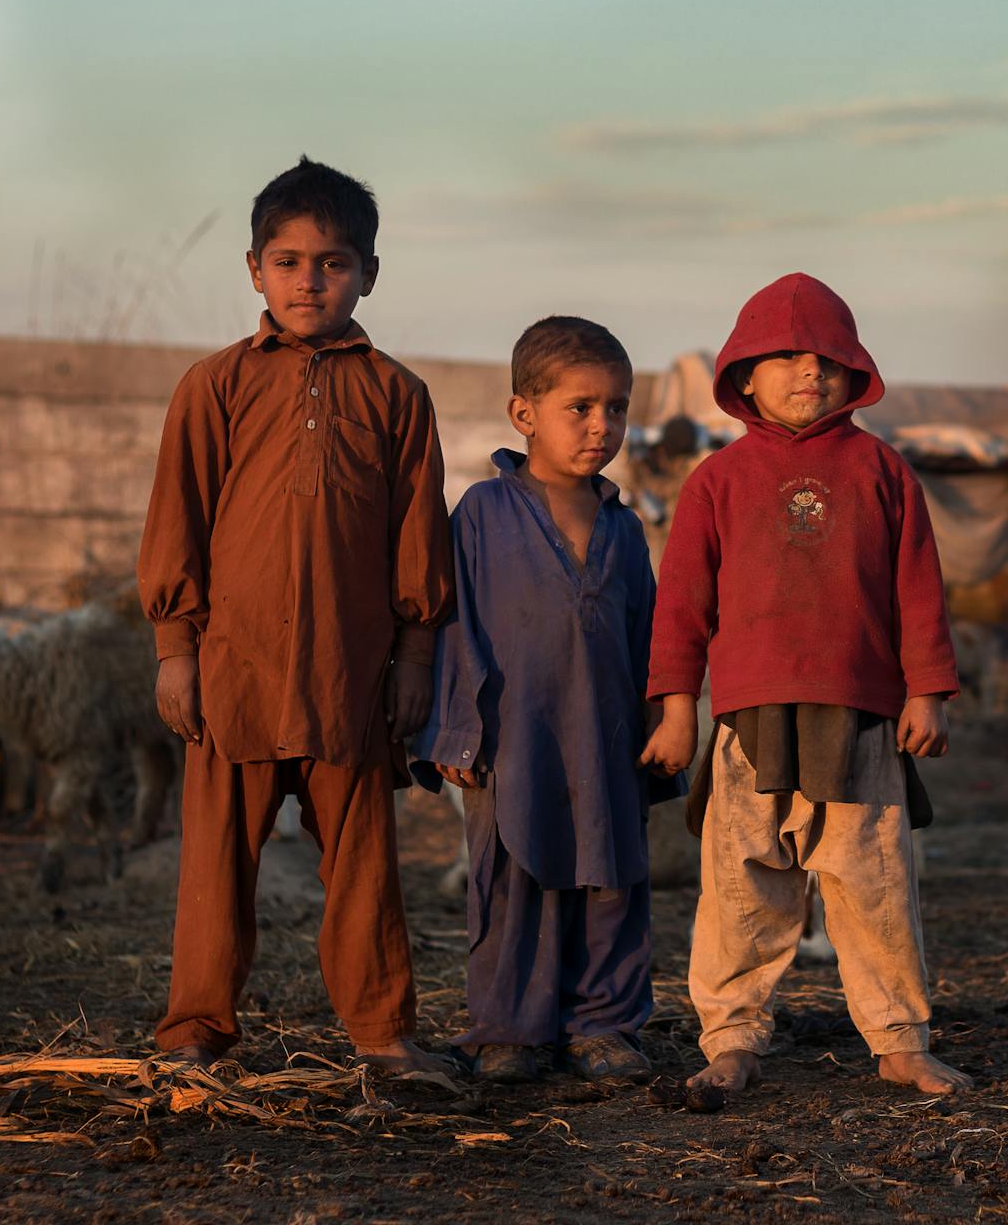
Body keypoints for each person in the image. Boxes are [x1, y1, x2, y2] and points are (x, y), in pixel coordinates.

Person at [139, 156, 454, 1077]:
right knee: (214, 869)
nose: (309, 280)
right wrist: (174, 650)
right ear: (252, 270)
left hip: (348, 673)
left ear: (368, 273)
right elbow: (178, 523)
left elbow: (417, 535)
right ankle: (195, 1034)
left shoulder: (397, 395)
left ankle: (383, 1036)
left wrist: (417, 655)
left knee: (362, 868)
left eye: (332, 262)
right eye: (287, 261)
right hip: (233, 668)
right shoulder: (216, 385)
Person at [640, 273, 969, 1096]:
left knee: (873, 882)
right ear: (743, 375)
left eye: (826, 356)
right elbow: (681, 605)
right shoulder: (715, 481)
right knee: (742, 881)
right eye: (783, 356)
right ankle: (733, 1036)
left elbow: (918, 589)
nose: (808, 371)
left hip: (861, 715)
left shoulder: (882, 471)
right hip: (747, 719)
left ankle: (898, 1038)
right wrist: (678, 710)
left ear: (854, 370)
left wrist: (926, 690)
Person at [412, 316, 679, 1085]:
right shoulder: (482, 516)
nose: (603, 426)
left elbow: (648, 634)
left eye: (618, 408)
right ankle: (511, 1029)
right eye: (581, 407)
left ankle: (602, 1024)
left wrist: (666, 715)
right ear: (523, 414)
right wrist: (456, 731)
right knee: (511, 882)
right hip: (511, 739)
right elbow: (453, 624)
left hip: (606, 733)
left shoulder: (625, 530)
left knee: (610, 877)